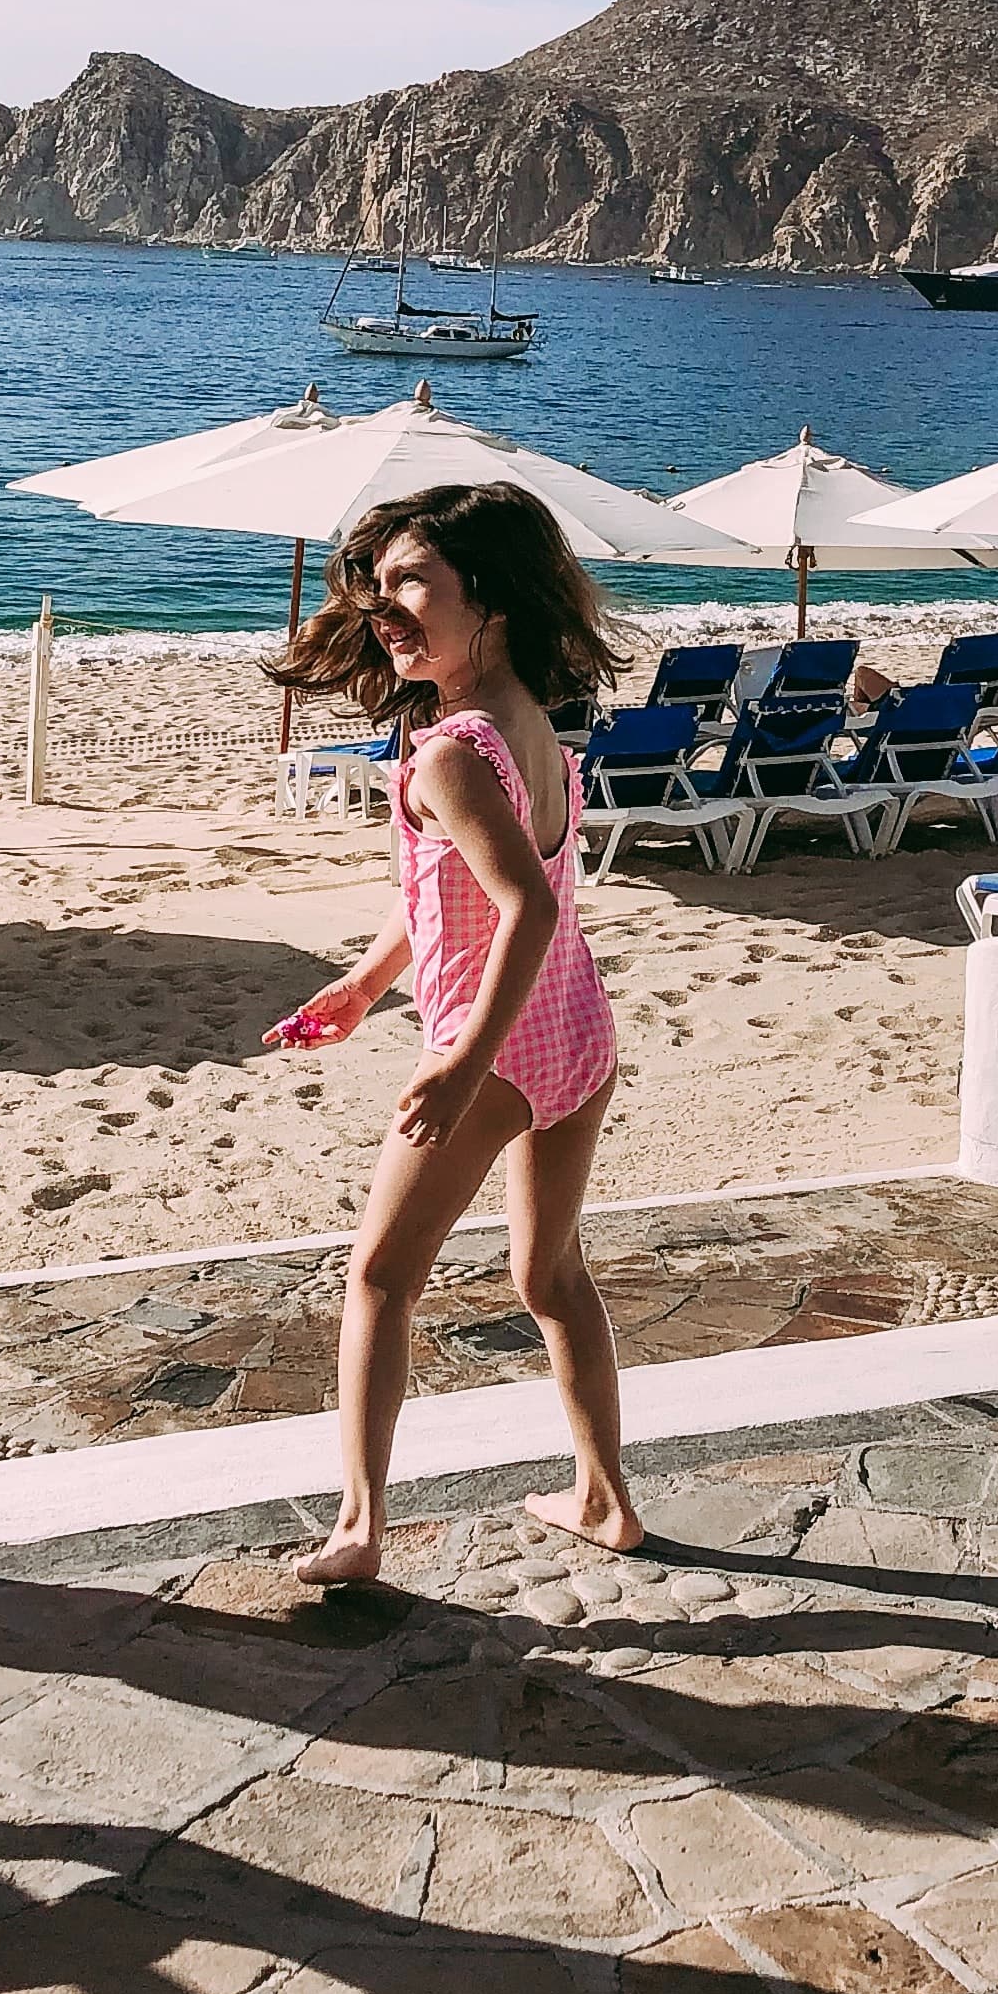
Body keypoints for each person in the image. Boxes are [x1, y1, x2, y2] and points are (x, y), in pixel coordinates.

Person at [262, 483, 639, 1582]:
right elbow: (452, 889)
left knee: (379, 1276)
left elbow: (520, 906)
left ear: (496, 600)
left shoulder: (448, 753)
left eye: (412, 582)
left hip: (502, 1046)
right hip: (577, 1030)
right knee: (551, 1278)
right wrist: (366, 983)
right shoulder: (532, 730)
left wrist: (463, 1056)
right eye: (378, 587)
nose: (386, 608)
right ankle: (605, 1500)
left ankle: (359, 1529)